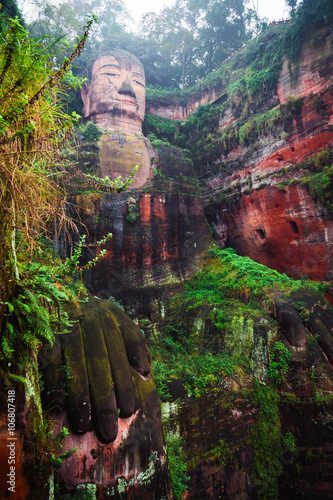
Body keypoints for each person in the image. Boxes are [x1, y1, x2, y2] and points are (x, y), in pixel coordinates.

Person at [81, 49, 154, 189]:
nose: (127, 88)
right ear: (86, 92)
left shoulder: (171, 158)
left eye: (138, 82)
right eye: (112, 74)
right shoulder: (71, 144)